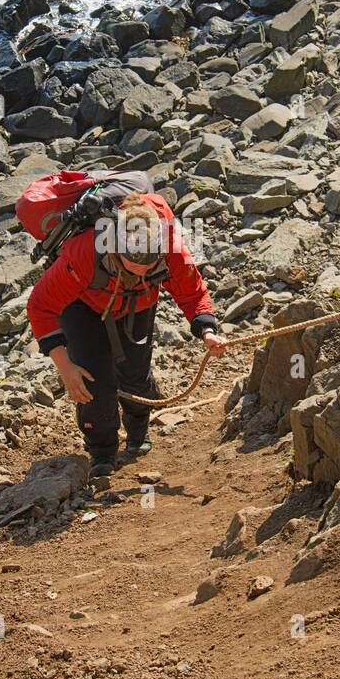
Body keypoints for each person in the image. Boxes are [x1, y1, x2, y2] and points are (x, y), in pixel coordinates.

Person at [27, 191, 225, 475]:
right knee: (93, 383)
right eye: (134, 264)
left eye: (149, 265)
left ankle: (138, 431)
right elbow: (41, 306)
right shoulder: (86, 252)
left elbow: (192, 293)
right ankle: (102, 450)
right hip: (82, 306)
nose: (143, 271)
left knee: (134, 375)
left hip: (138, 304)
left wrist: (207, 331)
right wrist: (64, 366)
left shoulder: (171, 248)